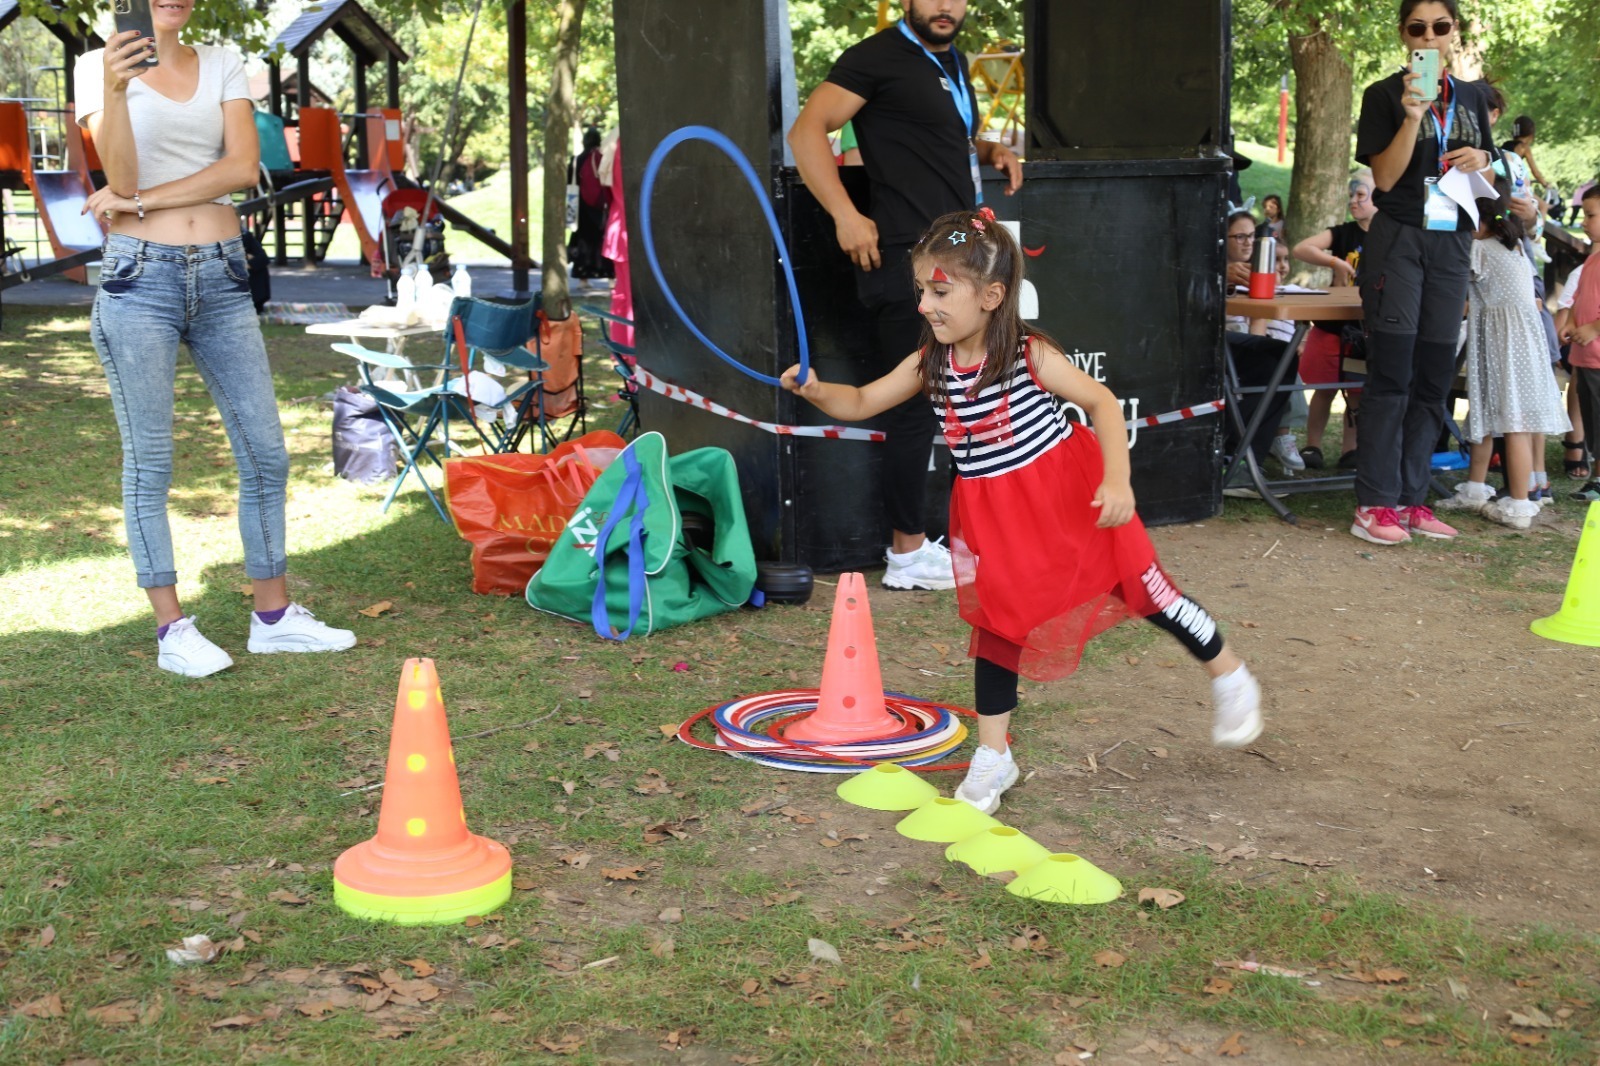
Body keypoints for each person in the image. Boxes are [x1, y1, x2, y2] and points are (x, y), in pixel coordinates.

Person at [780, 208, 1263, 814]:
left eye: (939, 291)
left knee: (1146, 593)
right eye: (921, 291)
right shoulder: (930, 361)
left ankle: (1228, 671)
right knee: (997, 624)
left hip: (1070, 498)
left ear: (991, 296)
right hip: (995, 512)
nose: (926, 305)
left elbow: (1105, 403)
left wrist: (1118, 480)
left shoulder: (1028, 355)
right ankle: (993, 756)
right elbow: (859, 400)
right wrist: (816, 390)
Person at [76, 4, 354, 677]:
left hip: (225, 275)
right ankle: (172, 629)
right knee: (151, 465)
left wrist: (139, 205)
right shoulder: (97, 68)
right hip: (139, 280)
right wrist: (116, 95)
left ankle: (274, 617)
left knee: (267, 453)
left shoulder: (224, 61)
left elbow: (239, 168)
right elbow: (121, 178)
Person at [788, 0, 1023, 592]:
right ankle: (907, 553)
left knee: (955, 398)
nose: (945, 6)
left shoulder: (951, 60)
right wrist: (844, 213)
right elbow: (806, 130)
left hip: (959, 259)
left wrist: (990, 150)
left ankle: (936, 541)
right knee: (917, 405)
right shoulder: (876, 56)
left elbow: (941, 140)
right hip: (905, 260)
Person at [1351, 0, 1498, 545]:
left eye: (1441, 26)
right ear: (1403, 34)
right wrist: (1413, 116)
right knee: (1392, 374)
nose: (1430, 36)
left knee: (1435, 376)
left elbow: (1490, 164)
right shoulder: (1383, 95)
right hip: (1400, 240)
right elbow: (1385, 179)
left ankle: (1414, 499)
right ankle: (1374, 504)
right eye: (1418, 28)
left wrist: (1485, 160)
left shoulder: (1473, 96)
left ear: (1454, 31)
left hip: (1453, 241)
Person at [1438, 175, 1570, 528]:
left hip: (1505, 344)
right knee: (1486, 413)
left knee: (1513, 422)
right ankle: (1476, 488)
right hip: (1515, 341)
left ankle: (1519, 505)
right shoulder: (1512, 248)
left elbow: (1448, 277)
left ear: (1475, 224)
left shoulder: (1479, 249)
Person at [1292, 172, 1377, 469]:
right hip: (1333, 326)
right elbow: (1301, 248)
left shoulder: (1390, 235)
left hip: (1365, 327)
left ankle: (1349, 450)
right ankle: (1312, 445)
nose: (1353, 201)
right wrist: (1334, 261)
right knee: (1324, 389)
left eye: (1361, 195)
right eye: (1351, 195)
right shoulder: (1343, 233)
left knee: (1356, 390)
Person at [1223, 211, 1303, 477]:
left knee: (1281, 357)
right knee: (1277, 359)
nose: (1248, 243)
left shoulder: (1261, 272)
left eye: (1252, 237)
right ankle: (1241, 458)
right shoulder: (1216, 270)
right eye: (1240, 236)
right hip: (1215, 346)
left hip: (1250, 344)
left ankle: (1246, 459)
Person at [1555, 186, 1600, 501]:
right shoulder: (1592, 260)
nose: (1583, 222)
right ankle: (1597, 479)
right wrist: (1571, 323)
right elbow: (1579, 298)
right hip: (1585, 357)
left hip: (1598, 355)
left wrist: (1595, 328)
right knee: (1591, 418)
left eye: (1591, 215)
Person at [566, 126, 612, 281]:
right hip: (598, 206)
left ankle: (583, 279)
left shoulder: (575, 160)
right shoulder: (601, 158)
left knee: (582, 240)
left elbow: (569, 182)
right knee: (600, 239)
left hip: (580, 207)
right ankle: (608, 278)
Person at [1500, 115, 1552, 191]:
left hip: (1500, 182)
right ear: (1531, 134)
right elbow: (1535, 172)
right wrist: (1546, 184)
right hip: (1511, 186)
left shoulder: (1506, 144)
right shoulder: (1524, 147)